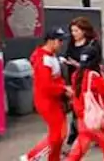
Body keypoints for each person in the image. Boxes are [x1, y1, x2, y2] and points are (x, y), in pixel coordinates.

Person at [25, 28, 70, 161]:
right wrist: (64, 89)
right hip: (48, 101)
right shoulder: (44, 60)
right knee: (58, 135)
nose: (62, 43)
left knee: (59, 133)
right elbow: (46, 86)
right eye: (59, 40)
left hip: (51, 100)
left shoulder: (49, 55)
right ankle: (32, 157)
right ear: (50, 41)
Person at [63, 17, 104, 148]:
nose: (73, 34)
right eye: (72, 31)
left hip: (89, 81)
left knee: (92, 108)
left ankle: (97, 135)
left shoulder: (92, 45)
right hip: (75, 80)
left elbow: (94, 63)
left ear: (83, 31)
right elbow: (68, 56)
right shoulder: (71, 44)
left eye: (76, 31)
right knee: (77, 110)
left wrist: (78, 65)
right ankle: (75, 135)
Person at [64, 64, 104, 161]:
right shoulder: (93, 76)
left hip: (82, 115)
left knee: (81, 145)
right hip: (94, 117)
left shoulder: (76, 74)